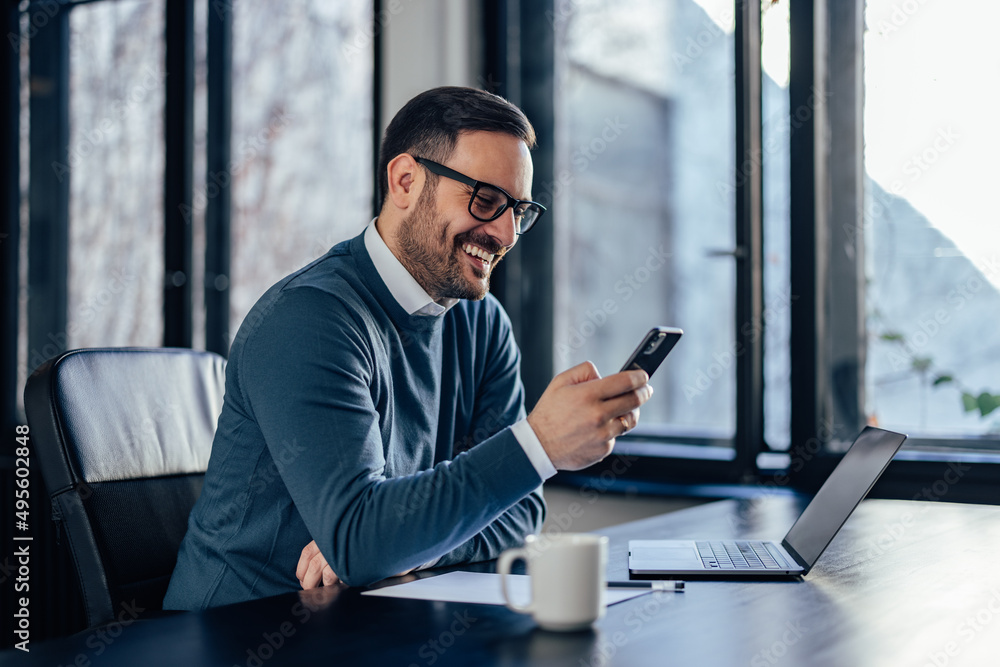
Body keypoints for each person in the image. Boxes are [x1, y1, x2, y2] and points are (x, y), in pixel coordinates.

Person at [164, 86, 652, 609]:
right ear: (405, 181)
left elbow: (518, 513)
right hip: (239, 631)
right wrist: (538, 445)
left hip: (364, 619)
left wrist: (411, 546)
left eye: (519, 211)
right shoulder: (309, 319)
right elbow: (358, 539)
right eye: (486, 200)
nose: (506, 233)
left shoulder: (482, 323)